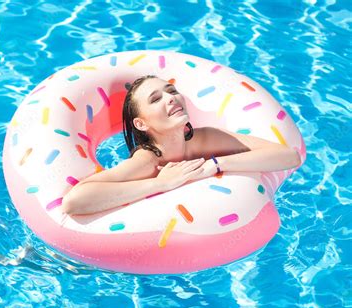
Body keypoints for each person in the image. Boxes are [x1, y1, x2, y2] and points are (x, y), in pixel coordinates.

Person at [61, 75, 301, 216]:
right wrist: (161, 183)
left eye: (171, 91)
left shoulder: (207, 139)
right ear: (141, 124)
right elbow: (74, 202)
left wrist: (216, 164)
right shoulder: (148, 161)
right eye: (156, 99)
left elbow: (289, 157)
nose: (171, 98)